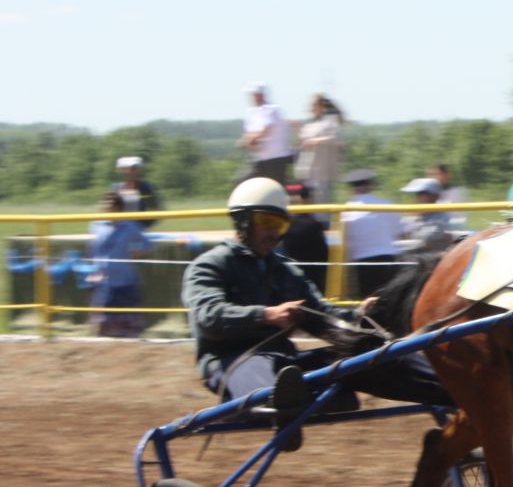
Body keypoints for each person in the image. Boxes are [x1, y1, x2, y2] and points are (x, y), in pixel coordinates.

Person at [182, 177, 451, 452]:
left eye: (280, 225)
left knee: (366, 355)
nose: (275, 234)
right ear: (243, 221)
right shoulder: (209, 266)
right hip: (231, 361)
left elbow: (321, 312)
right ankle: (275, 406)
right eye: (267, 223)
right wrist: (265, 315)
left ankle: (446, 388)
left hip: (283, 362)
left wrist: (359, 314)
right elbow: (209, 317)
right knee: (263, 373)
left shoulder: (285, 269)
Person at [87, 190, 151, 338]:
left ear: (118, 208)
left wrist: (134, 253)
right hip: (103, 283)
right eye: (104, 204)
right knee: (102, 324)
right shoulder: (96, 225)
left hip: (124, 282)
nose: (105, 208)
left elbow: (147, 244)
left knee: (127, 324)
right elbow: (93, 250)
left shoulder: (129, 226)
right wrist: (93, 270)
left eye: (109, 205)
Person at [339, 168, 403, 299]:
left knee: (369, 301)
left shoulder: (346, 211)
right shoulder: (387, 205)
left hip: (363, 263)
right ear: (370, 185)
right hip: (388, 258)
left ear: (351, 188)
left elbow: (345, 241)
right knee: (391, 299)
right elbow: (399, 232)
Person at [239, 84, 297, 183]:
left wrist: (251, 139)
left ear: (262, 95)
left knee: (275, 184)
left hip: (275, 157)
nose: (253, 98)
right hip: (258, 157)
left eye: (256, 94)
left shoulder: (272, 109)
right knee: (243, 181)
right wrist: (248, 140)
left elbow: (266, 130)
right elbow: (248, 133)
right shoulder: (251, 112)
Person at [295, 94, 345, 202]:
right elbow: (303, 140)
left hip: (322, 174)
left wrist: (315, 141)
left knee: (321, 208)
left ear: (321, 106)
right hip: (307, 174)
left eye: (313, 105)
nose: (311, 108)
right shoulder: (312, 124)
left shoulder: (330, 122)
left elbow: (336, 138)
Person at [279, 180, 330, 273]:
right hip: (310, 276)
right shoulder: (312, 225)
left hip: (286, 274)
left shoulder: (281, 223)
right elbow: (324, 254)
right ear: (307, 200)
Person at [400, 176, 455, 251]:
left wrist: (410, 234)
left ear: (434, 196)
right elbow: (401, 233)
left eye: (422, 194)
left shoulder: (442, 216)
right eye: (417, 194)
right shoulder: (418, 216)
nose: (418, 199)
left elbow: (430, 237)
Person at [112, 156, 163, 226]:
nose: (131, 172)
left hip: (136, 227)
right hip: (119, 227)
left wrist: (142, 225)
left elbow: (155, 209)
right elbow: (109, 212)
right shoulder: (116, 188)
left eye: (134, 168)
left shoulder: (145, 188)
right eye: (127, 169)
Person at [428, 161, 470, 231]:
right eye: (431, 175)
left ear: (446, 175)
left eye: (437, 174)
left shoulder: (457, 192)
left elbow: (458, 220)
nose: (434, 178)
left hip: (453, 231)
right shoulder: (428, 195)